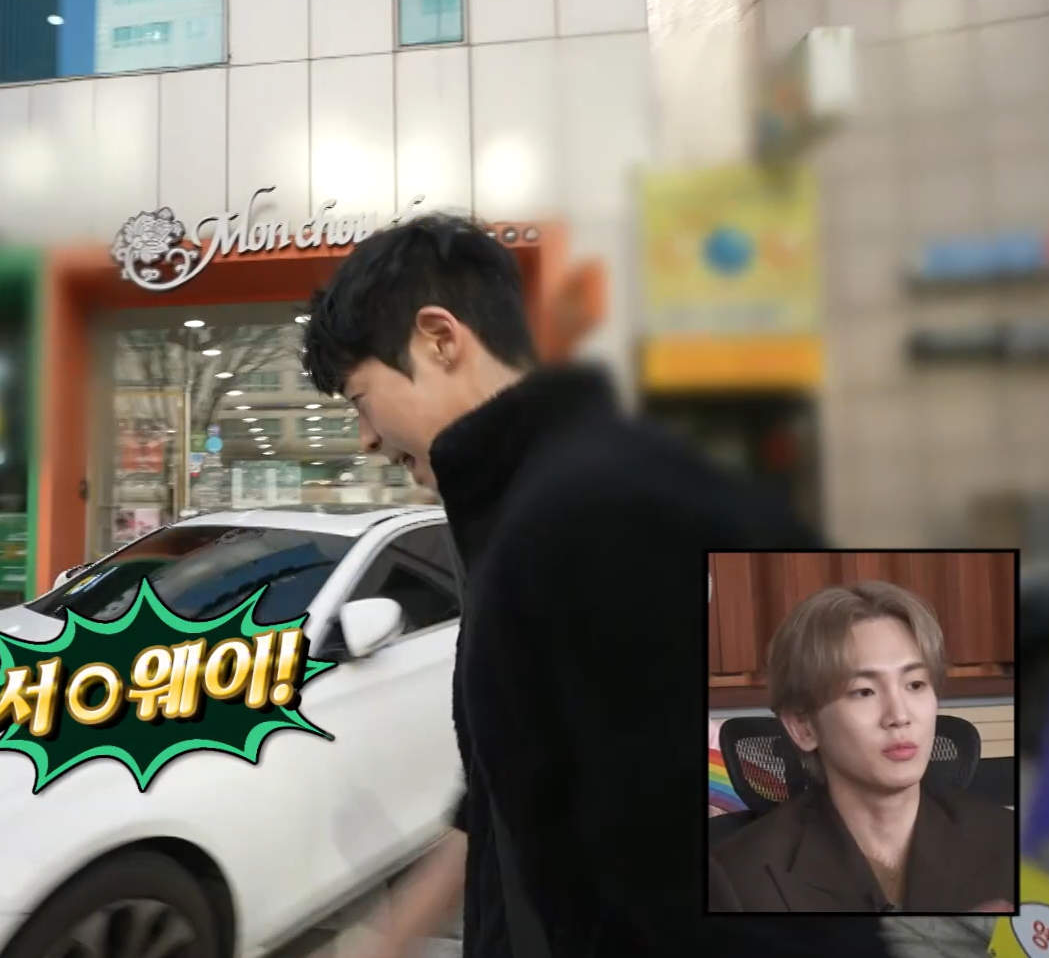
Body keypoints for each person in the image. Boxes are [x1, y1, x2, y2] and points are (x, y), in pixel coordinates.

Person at [301, 213, 891, 957]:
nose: (365, 439)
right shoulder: (526, 509)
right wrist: (400, 931)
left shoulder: (604, 513)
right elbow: (517, 775)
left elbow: (734, 884)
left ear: (439, 339)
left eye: (360, 399)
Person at [709, 581, 1017, 913]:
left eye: (915, 684)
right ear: (803, 725)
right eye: (864, 691)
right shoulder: (738, 878)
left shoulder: (1015, 845)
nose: (899, 716)